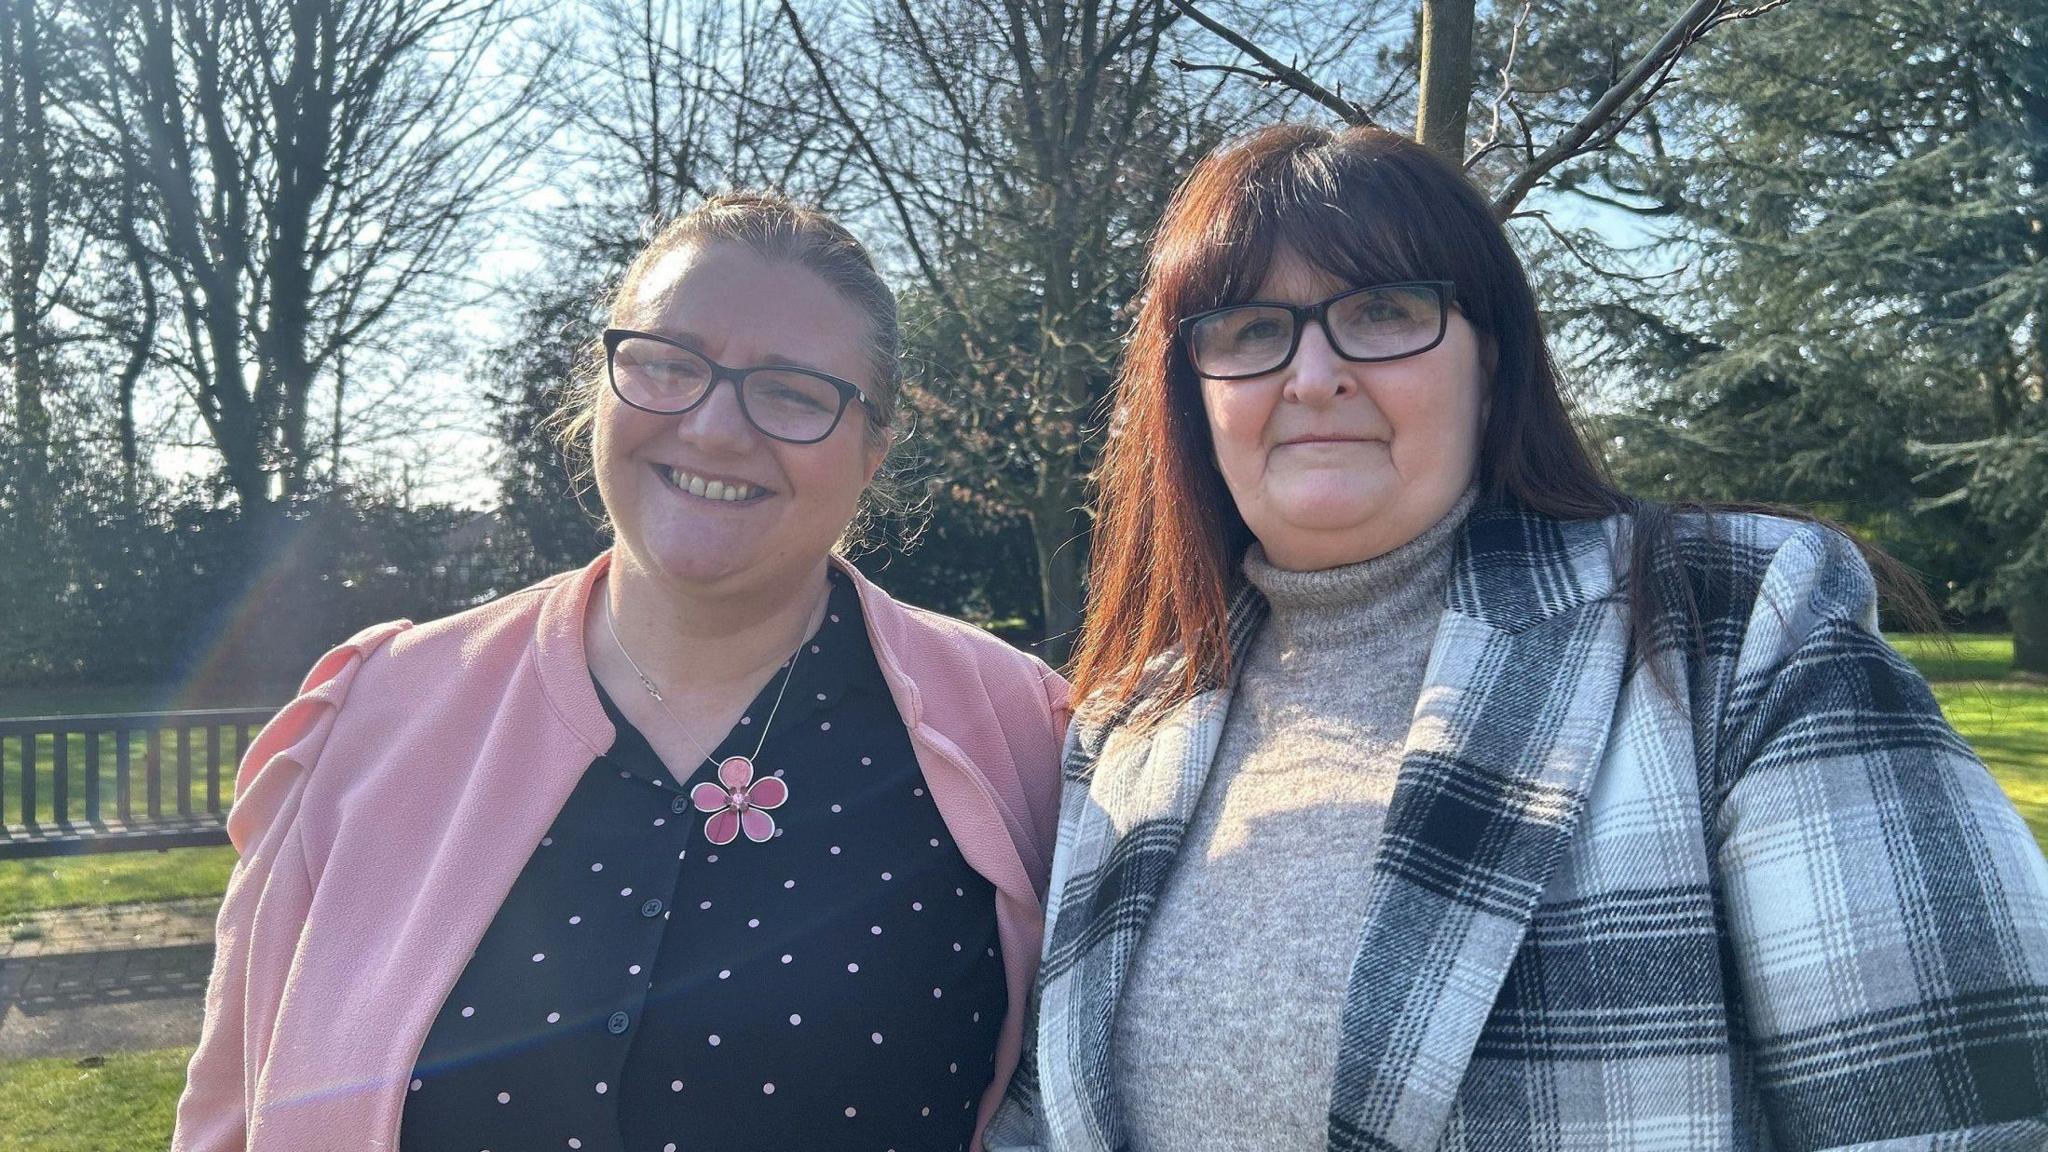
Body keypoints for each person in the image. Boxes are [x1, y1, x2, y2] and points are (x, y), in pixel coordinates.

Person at [988, 124, 2048, 1151]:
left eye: (1384, 309)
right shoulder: (1129, 724)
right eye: (1249, 331)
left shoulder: (1728, 625)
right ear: (1192, 394)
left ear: (1488, 362)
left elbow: (1958, 1106)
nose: (1311, 377)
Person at [173, 192, 1069, 1152]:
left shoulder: (1021, 736)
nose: (716, 429)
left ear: (872, 452)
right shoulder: (376, 714)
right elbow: (230, 1114)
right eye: (668, 364)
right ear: (602, 387)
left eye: (794, 392)